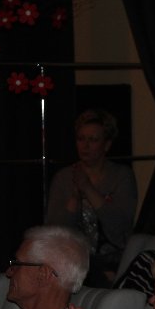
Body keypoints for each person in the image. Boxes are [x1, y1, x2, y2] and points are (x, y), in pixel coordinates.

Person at [45, 109, 137, 285]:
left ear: (106, 145)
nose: (85, 146)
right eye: (81, 139)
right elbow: (55, 231)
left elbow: (120, 227)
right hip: (72, 262)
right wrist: (74, 197)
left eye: (93, 140)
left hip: (112, 263)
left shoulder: (121, 176)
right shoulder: (64, 178)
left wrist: (88, 188)